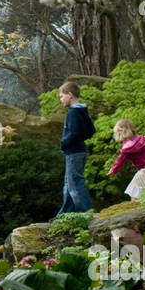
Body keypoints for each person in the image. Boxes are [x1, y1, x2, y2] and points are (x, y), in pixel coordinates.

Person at [55, 81, 95, 216]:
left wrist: (63, 143)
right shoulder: (82, 110)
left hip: (73, 151)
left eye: (61, 96)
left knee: (75, 184)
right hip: (80, 150)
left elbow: (74, 132)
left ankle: (87, 213)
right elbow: (91, 130)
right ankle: (64, 214)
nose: (61, 100)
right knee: (68, 184)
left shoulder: (72, 112)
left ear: (70, 95)